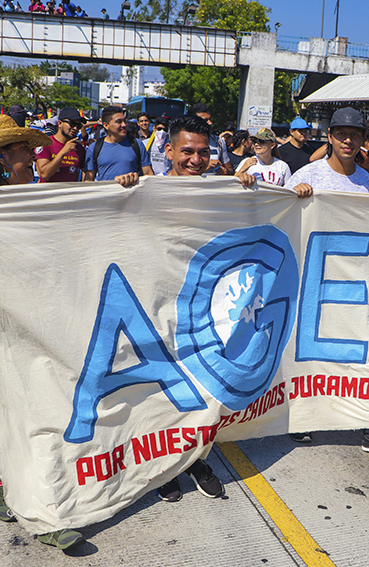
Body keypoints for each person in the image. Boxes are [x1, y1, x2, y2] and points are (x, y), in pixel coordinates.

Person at [0, 116, 139, 551]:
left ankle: (48, 491)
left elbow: (93, 220)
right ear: (1, 158)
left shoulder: (41, 198)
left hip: (43, 323)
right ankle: (8, 482)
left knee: (50, 405)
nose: (35, 155)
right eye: (23, 149)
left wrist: (125, 190)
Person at [284, 107, 369, 456]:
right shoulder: (306, 175)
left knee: (361, 352)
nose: (348, 140)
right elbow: (278, 219)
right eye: (341, 133)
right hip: (313, 279)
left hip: (356, 281)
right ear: (329, 136)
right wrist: (295, 200)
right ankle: (301, 417)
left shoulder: (366, 181)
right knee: (308, 351)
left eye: (354, 135)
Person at [150, 114, 253, 502]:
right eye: (187, 151)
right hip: (158, 306)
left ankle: (195, 459)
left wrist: (246, 186)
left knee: (201, 387)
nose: (195, 160)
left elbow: (262, 210)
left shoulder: (220, 190)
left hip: (204, 309)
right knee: (162, 391)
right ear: (169, 150)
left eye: (203, 153)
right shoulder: (149, 190)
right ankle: (163, 469)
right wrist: (121, 189)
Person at [83, 106, 153, 181]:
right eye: (119, 122)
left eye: (124, 121)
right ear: (106, 125)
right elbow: (89, 180)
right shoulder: (94, 148)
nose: (124, 125)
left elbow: (148, 174)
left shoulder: (137, 144)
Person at [35, 107, 87, 183]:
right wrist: (63, 152)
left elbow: (87, 170)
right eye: (72, 124)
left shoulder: (78, 147)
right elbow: (45, 175)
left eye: (78, 126)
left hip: (70, 193)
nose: (75, 128)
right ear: (59, 123)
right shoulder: (45, 144)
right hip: (49, 193)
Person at [189, 104, 232, 175]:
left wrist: (224, 171)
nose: (210, 123)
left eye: (210, 119)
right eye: (206, 120)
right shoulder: (185, 141)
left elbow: (229, 170)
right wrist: (204, 167)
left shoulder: (219, 141)